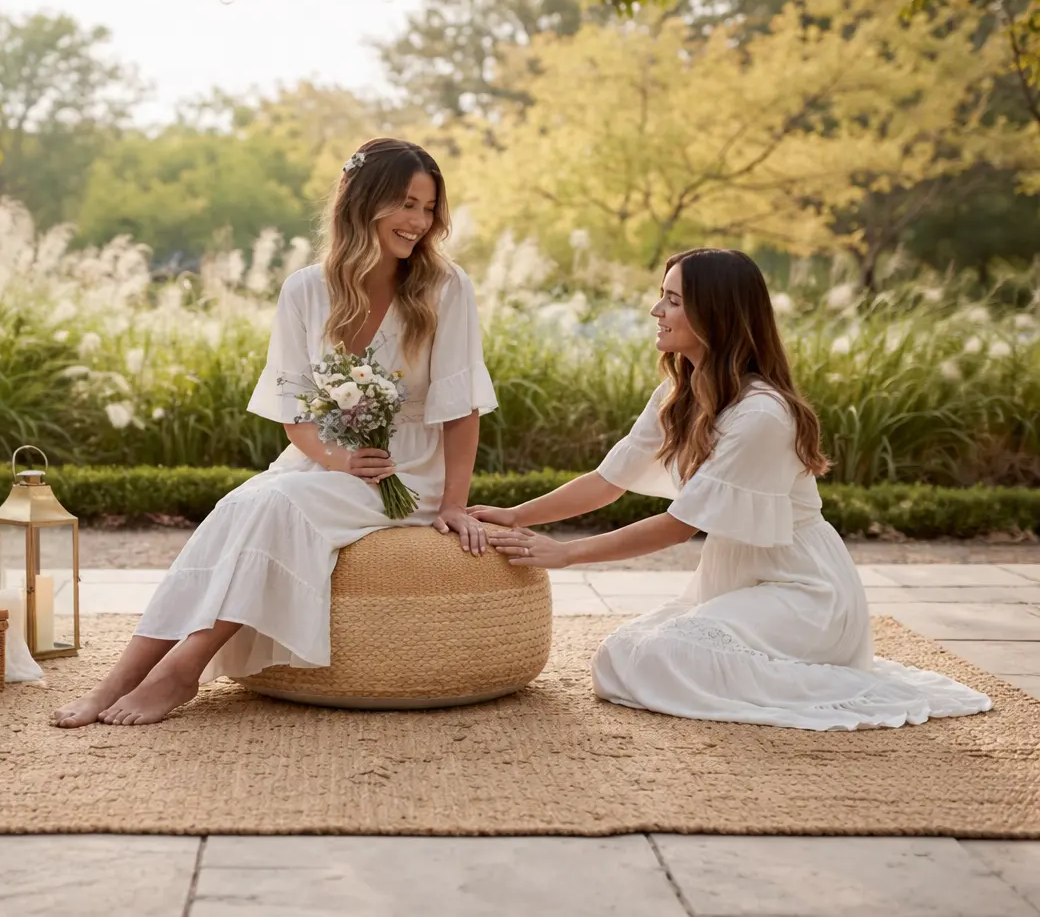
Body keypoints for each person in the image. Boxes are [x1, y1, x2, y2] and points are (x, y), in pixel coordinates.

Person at [51, 138, 497, 727]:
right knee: (244, 503)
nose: (418, 222)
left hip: (410, 471)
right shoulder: (306, 289)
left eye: (428, 207)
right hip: (322, 463)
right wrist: (336, 461)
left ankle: (181, 671)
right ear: (363, 202)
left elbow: (462, 407)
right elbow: (294, 411)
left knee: (274, 505)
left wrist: (454, 504)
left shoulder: (447, 288)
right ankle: (121, 677)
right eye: (406, 203)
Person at [473, 248, 992, 731]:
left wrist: (564, 554)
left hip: (804, 593)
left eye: (673, 300)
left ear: (714, 314)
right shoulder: (681, 391)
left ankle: (842, 680)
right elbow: (608, 482)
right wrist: (515, 516)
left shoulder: (762, 413)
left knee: (663, 658)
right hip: (738, 581)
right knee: (620, 656)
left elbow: (680, 526)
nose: (657, 310)